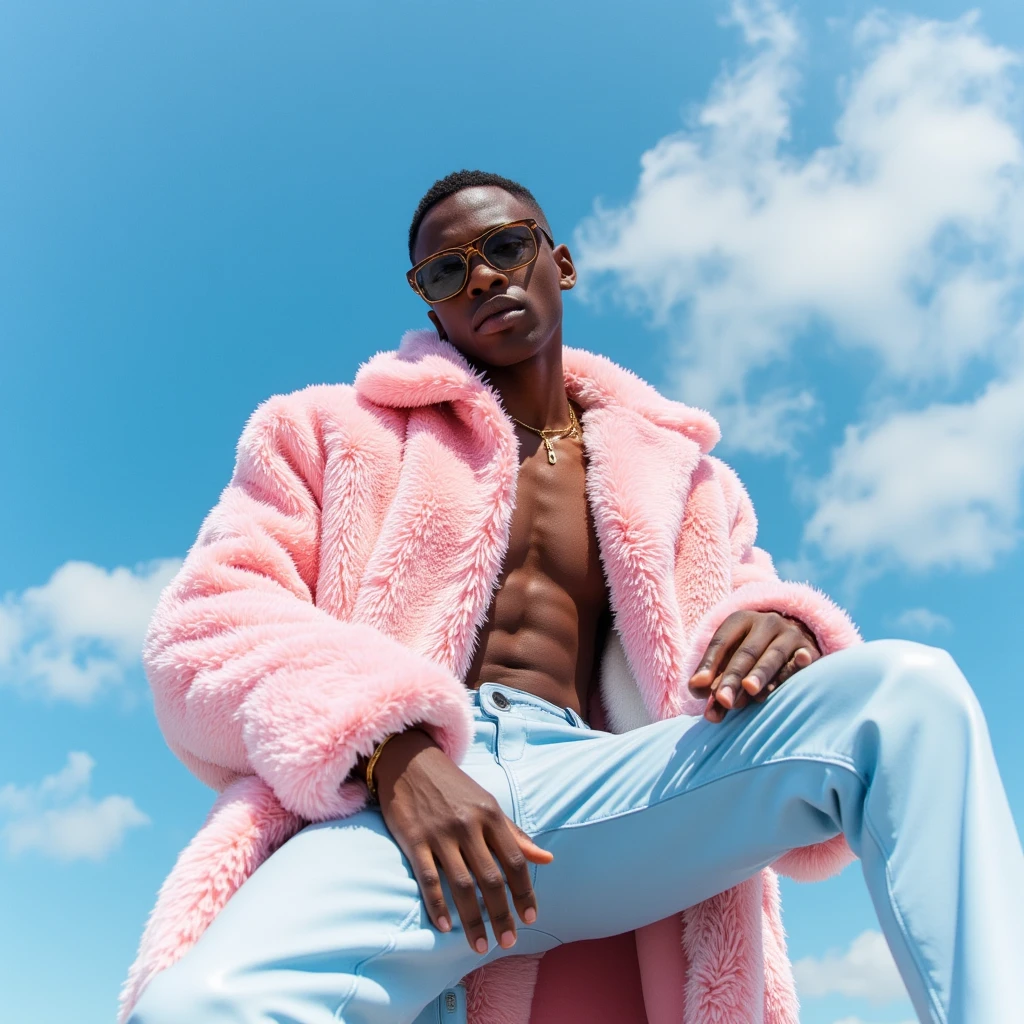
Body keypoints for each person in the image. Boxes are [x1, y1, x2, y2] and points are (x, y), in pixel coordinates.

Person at [122, 170, 1022, 1024]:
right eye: (448, 269)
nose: (482, 276)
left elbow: (737, 605)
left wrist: (783, 624)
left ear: (561, 262)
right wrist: (393, 755)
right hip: (407, 798)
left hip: (612, 787)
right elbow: (209, 621)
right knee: (197, 1005)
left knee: (906, 692)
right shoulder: (325, 430)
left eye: (507, 246)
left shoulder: (688, 478)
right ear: (430, 302)